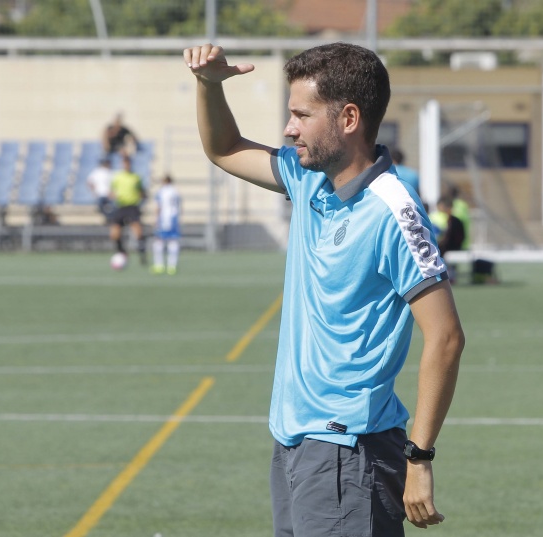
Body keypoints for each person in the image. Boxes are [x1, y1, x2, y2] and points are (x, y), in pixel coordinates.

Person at [184, 42, 465, 535]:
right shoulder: (309, 177)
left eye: (301, 115)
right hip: (294, 441)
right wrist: (208, 85)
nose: (289, 128)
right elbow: (224, 148)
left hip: (348, 453)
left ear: (349, 118)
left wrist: (420, 458)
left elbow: (445, 336)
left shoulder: (393, 212)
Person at [109, 156, 147, 266]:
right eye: (124, 163)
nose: (126, 165)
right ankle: (122, 252)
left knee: (138, 232)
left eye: (128, 163)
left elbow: (142, 192)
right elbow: (111, 191)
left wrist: (141, 198)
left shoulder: (136, 177)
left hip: (132, 207)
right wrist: (112, 196)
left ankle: (142, 256)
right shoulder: (117, 177)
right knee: (114, 234)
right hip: (121, 206)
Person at [151, 175, 182, 275]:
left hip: (164, 218)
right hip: (174, 219)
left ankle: (159, 266)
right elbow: (179, 206)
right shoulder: (175, 192)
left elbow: (158, 207)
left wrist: (156, 220)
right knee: (173, 242)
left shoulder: (161, 192)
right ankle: (172, 266)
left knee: (158, 242)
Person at [87, 157, 114, 222]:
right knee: (101, 206)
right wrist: (94, 191)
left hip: (109, 194)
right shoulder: (97, 172)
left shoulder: (111, 172)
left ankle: (111, 217)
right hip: (100, 194)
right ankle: (108, 217)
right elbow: (90, 182)